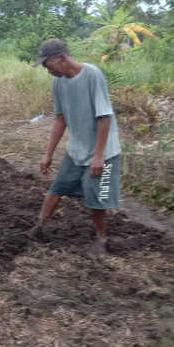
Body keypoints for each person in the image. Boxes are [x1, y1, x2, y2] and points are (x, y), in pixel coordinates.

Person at [29, 38, 121, 254]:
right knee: (57, 187)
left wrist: (99, 156)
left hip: (103, 150)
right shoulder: (58, 82)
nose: (47, 70)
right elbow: (60, 119)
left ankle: (101, 240)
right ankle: (39, 228)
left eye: (47, 64)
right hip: (77, 148)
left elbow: (104, 118)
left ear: (61, 58)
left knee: (96, 198)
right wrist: (48, 153)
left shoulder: (92, 74)